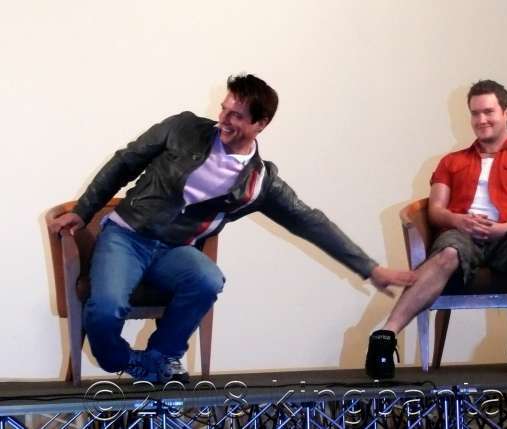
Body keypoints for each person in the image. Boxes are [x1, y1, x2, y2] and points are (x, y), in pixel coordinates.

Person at [49, 73, 415, 383]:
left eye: (236, 115)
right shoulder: (183, 128)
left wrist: (370, 269)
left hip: (174, 251)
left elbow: (311, 222)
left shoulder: (259, 182)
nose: (223, 119)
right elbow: (125, 162)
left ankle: (162, 356)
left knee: (208, 279)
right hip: (128, 236)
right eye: (224, 109)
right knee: (105, 310)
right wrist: (84, 210)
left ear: (260, 124)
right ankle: (127, 361)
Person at [365, 79, 507, 378]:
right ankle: (385, 337)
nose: (481, 120)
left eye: (489, 112)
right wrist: (459, 220)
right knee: (448, 252)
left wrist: (503, 228)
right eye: (475, 113)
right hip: (463, 233)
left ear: (506, 113)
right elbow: (436, 210)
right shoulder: (451, 162)